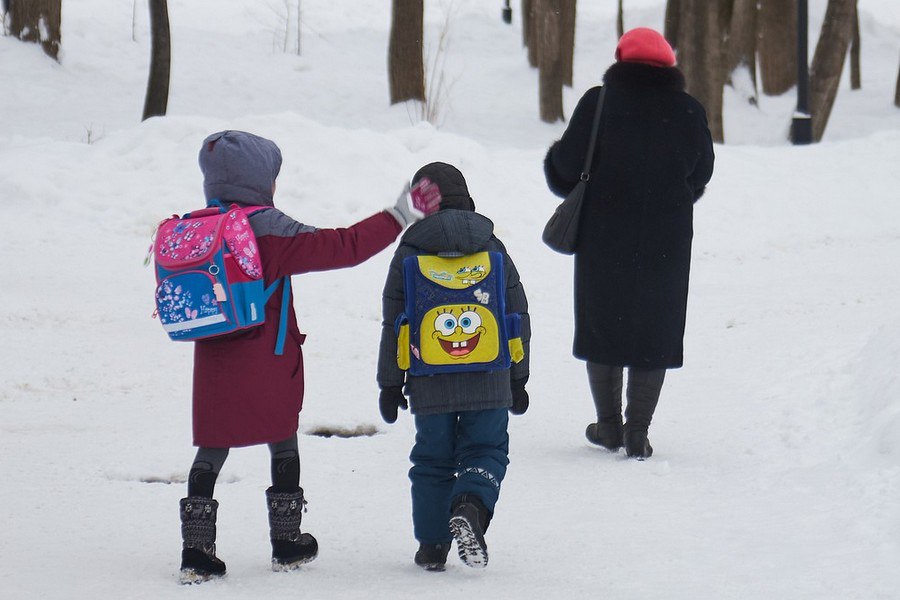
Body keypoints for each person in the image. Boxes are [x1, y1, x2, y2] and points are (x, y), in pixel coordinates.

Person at [177, 130, 441, 584]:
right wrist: (401, 214)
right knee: (282, 436)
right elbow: (344, 246)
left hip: (215, 361)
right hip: (267, 356)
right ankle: (287, 541)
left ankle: (197, 550)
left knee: (213, 445)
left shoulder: (199, 229)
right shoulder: (267, 228)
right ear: (260, 181)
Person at [543, 28, 714, 459]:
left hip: (604, 236)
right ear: (670, 66)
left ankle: (608, 425)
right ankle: (638, 432)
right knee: (656, 325)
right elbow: (702, 171)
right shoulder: (689, 111)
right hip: (667, 237)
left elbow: (565, 167)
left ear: (620, 60)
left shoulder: (598, 103)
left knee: (603, 321)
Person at [376, 162, 531, 571]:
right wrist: (519, 377)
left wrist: (390, 384)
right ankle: (471, 505)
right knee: (487, 448)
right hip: (490, 371)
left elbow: (394, 322)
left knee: (432, 459)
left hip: (429, 377)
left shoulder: (411, 249)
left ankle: (432, 546)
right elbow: (517, 313)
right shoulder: (490, 244)